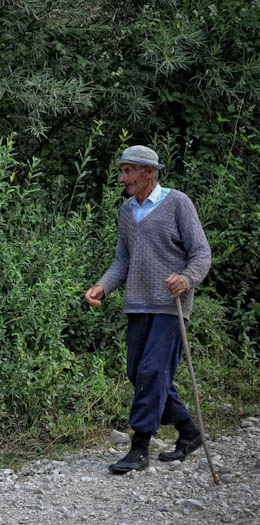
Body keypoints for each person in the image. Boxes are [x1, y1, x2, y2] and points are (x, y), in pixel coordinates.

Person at [85, 145, 211, 474]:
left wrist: (185, 279)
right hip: (137, 303)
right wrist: (103, 286)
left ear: (149, 173)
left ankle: (139, 448)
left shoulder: (177, 203)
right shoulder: (127, 210)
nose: (123, 177)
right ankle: (189, 432)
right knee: (137, 373)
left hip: (170, 306)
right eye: (122, 170)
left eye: (129, 171)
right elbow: (123, 259)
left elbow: (201, 253)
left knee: (153, 372)